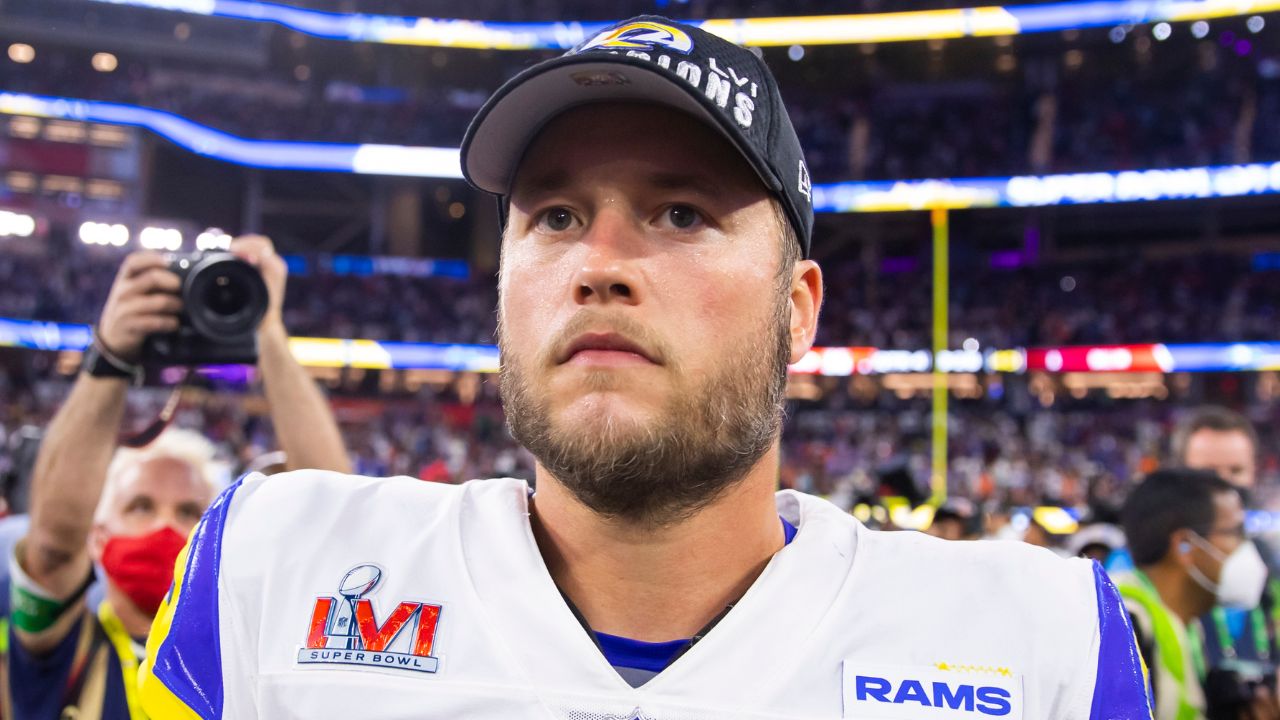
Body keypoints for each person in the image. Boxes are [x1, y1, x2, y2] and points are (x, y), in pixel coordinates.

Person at [139, 16, 1151, 718]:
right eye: (555, 217)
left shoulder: (1036, 646)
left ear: (796, 312)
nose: (599, 266)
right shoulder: (272, 567)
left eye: (680, 213)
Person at [6, 235, 350, 718]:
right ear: (98, 536)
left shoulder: (247, 652)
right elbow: (53, 545)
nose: (166, 526)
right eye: (140, 505)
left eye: (192, 512)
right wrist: (110, 355)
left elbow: (336, 513)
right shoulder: (63, 647)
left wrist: (268, 328)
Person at [1115, 468, 1275, 720]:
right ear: (1184, 545)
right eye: (1235, 533)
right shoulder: (1125, 632)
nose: (1248, 548)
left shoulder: (1183, 628)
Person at [1173, 408, 1280, 685]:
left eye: (1236, 470)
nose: (1223, 483)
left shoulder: (1272, 566)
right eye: (1209, 472)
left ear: (1254, 473)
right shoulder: (1147, 567)